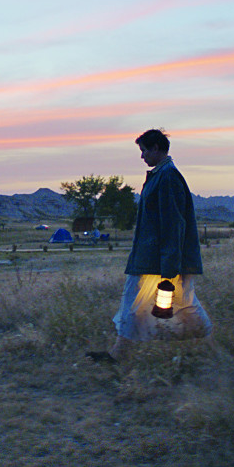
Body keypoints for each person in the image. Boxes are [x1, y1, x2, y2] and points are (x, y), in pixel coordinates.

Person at [89, 129, 212, 363]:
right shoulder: (161, 175)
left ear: (156, 148)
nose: (142, 156)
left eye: (144, 150)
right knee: (136, 303)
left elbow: (173, 224)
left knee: (182, 305)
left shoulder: (169, 177)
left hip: (158, 260)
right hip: (151, 257)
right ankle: (118, 353)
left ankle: (209, 345)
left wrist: (169, 268)